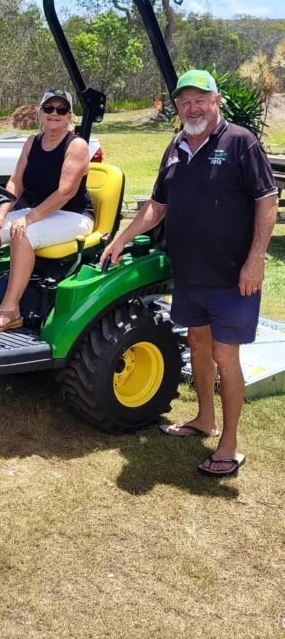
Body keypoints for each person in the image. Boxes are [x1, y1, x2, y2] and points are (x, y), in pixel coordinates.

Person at [100, 70, 278, 477]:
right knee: (198, 345)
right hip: (190, 273)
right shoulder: (177, 145)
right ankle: (204, 418)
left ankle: (229, 445)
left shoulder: (240, 142)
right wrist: (123, 238)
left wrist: (256, 260)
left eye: (201, 99)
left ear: (216, 101)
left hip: (234, 276)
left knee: (224, 355)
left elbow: (267, 201)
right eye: (185, 102)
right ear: (177, 107)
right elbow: (157, 206)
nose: (193, 108)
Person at [0, 88, 95, 333]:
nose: (54, 113)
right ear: (39, 112)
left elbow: (66, 192)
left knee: (21, 234)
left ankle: (10, 310)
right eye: (49, 108)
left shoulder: (76, 145)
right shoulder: (32, 142)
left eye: (61, 110)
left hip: (74, 215)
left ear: (69, 115)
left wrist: (28, 219)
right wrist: (1, 213)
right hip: (41, 212)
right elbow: (17, 180)